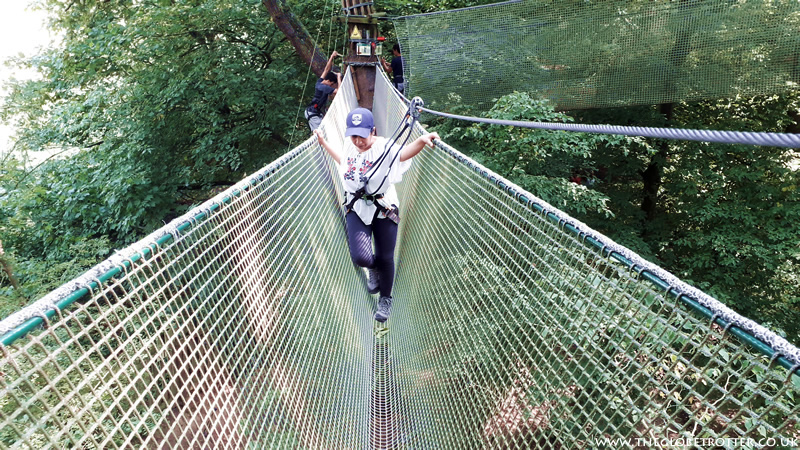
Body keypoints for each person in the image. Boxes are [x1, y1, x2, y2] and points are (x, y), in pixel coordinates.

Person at [314, 108, 439, 322]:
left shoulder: (384, 147)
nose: (357, 141)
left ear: (373, 131)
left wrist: (422, 140)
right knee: (361, 257)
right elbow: (343, 160)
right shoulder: (350, 146)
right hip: (357, 206)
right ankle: (373, 268)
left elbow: (403, 153)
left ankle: (385, 299)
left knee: (385, 257)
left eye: (362, 136)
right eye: (353, 135)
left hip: (384, 207)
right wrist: (324, 144)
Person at [305, 51, 342, 131]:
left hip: (315, 112)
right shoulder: (324, 87)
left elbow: (326, 69)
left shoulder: (319, 82)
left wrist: (332, 56)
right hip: (312, 113)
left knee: (324, 130)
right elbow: (339, 91)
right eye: (331, 84)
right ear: (328, 81)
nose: (331, 86)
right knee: (320, 132)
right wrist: (339, 77)